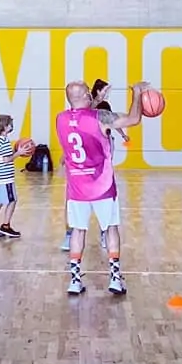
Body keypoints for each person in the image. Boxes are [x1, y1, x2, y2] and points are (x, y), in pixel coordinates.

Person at [56, 80, 145, 297]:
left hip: (77, 188)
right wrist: (137, 94)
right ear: (87, 94)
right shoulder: (100, 118)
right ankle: (115, 278)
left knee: (78, 231)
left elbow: (83, 113)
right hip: (102, 186)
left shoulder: (61, 119)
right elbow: (134, 119)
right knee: (111, 228)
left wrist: (95, 100)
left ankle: (75, 281)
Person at [59, 80, 126, 252]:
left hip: (97, 157)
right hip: (80, 165)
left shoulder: (100, 109)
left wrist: (123, 135)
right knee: (73, 200)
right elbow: (84, 120)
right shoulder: (77, 114)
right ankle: (71, 233)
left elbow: (100, 119)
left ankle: (102, 232)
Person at [0, 114, 25, 239]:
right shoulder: (4, 142)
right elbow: (6, 159)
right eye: (10, 124)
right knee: (12, 200)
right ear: (5, 127)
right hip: (5, 178)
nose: (12, 125)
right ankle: (6, 226)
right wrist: (19, 153)